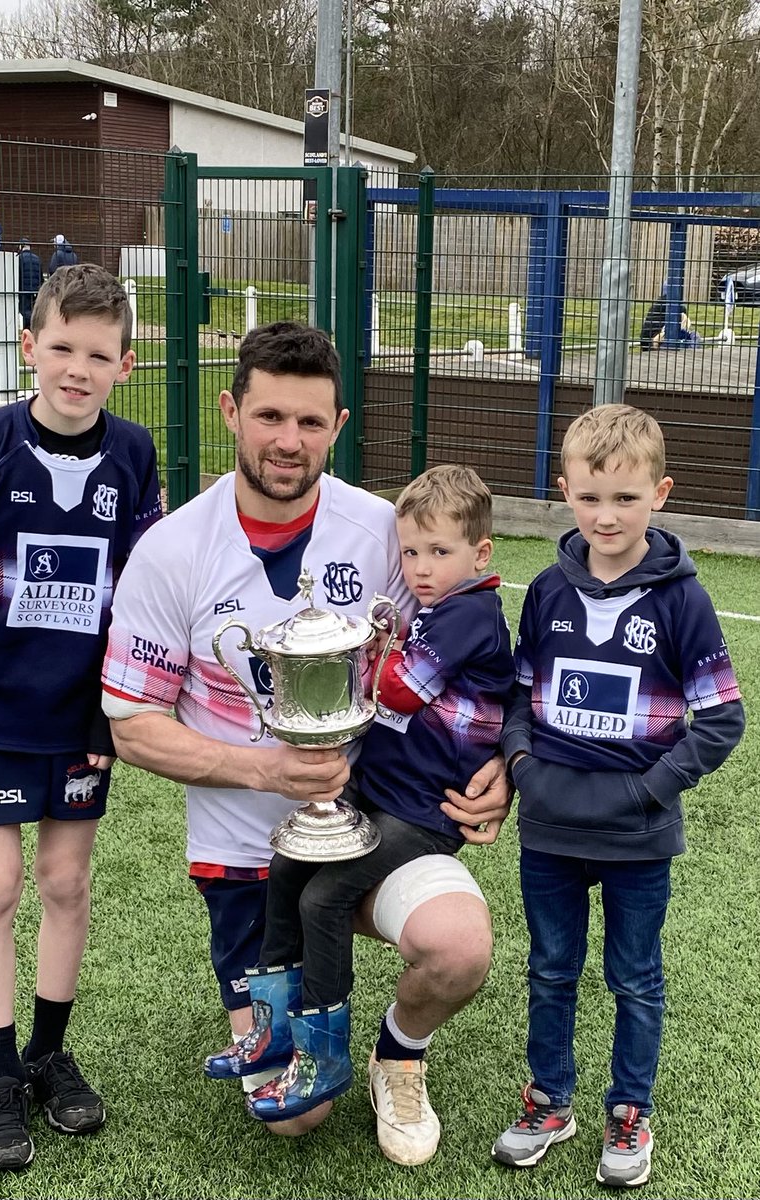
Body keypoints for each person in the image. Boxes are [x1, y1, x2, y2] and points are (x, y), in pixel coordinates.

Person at [101, 321, 512, 1167]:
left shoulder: (384, 532)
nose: (289, 441)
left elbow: (474, 654)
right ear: (231, 412)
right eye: (270, 417)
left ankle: (397, 1052)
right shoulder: (171, 551)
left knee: (460, 947)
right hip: (245, 852)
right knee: (293, 1119)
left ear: (340, 425)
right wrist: (267, 769)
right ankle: (289, 1029)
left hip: (377, 820)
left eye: (311, 422)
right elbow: (131, 725)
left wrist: (505, 764)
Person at [0, 262, 162, 1171]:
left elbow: (136, 597)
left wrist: (116, 713)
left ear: (124, 363)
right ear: (30, 346)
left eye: (98, 354)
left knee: (65, 883)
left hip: (79, 717)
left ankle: (49, 1053)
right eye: (61, 346)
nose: (76, 367)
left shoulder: (134, 457)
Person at [202, 464, 516, 1127]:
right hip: (380, 795)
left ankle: (325, 1054)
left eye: (440, 552)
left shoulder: (471, 613)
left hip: (423, 813)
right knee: (287, 863)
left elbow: (398, 691)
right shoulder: (434, 610)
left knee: (323, 895)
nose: (420, 568)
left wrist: (355, 653)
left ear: (479, 554)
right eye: (410, 552)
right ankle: (271, 1028)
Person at [491, 404, 744, 1188]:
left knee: (635, 976)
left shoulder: (682, 600)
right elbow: (519, 695)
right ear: (564, 490)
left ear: (659, 494)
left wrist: (651, 788)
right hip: (550, 828)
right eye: (592, 497)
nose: (607, 515)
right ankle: (550, 1101)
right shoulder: (545, 591)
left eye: (626, 498)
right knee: (550, 969)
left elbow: (724, 716)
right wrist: (523, 763)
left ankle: (630, 1110)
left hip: (637, 835)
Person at [17, 237, 43, 330]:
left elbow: (18, 273)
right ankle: (33, 328)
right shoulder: (37, 258)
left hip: (24, 288)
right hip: (35, 288)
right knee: (33, 309)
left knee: (25, 310)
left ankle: (27, 328)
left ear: (21, 246)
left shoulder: (20, 258)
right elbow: (40, 274)